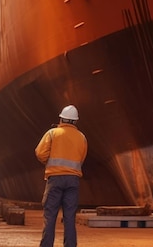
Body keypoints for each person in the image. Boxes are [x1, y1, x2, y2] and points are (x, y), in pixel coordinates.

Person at [35, 105, 88, 247]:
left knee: (50, 216)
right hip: (73, 180)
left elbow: (40, 153)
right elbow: (81, 158)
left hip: (55, 179)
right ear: (75, 121)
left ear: (61, 118)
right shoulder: (82, 137)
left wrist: (50, 160)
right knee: (70, 217)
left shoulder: (53, 133)